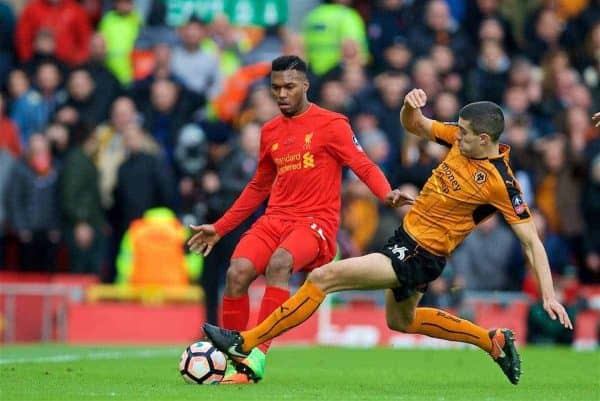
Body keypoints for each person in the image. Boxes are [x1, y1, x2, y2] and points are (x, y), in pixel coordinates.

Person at [203, 89, 573, 386]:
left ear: (484, 138)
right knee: (401, 322)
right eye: (455, 130)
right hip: (407, 240)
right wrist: (409, 107)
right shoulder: (462, 142)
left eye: (462, 133)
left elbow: (531, 241)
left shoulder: (501, 182)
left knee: (322, 278)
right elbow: (417, 126)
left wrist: (548, 293)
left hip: (421, 252)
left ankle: (245, 342)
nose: (454, 136)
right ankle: (490, 341)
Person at [187, 55, 410, 384]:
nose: (281, 94)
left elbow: (362, 164)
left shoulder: (333, 124)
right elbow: (258, 186)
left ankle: (257, 355)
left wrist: (386, 192)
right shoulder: (270, 131)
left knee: (279, 264)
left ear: (305, 86)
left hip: (314, 223)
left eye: (289, 86)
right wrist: (219, 228)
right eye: (276, 88)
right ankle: (234, 360)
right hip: (274, 219)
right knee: (237, 272)